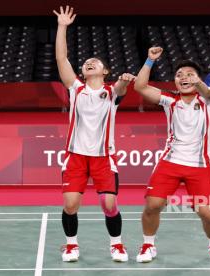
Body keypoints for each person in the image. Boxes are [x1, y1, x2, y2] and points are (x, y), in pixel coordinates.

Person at [53, 5, 135, 262]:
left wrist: (123, 80)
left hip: (103, 158)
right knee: (70, 205)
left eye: (95, 63)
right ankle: (71, 245)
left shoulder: (111, 93)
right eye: (87, 63)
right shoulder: (75, 89)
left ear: (105, 72)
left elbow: (121, 89)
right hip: (75, 156)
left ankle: (117, 245)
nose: (89, 63)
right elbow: (61, 59)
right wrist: (62, 26)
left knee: (109, 205)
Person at [133, 46, 210, 264]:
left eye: (189, 75)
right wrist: (149, 60)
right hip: (170, 162)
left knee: (207, 213)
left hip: (202, 165)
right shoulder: (170, 99)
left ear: (198, 79)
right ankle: (148, 244)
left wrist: (198, 83)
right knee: (152, 205)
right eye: (179, 75)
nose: (183, 78)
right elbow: (139, 86)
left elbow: (209, 93)